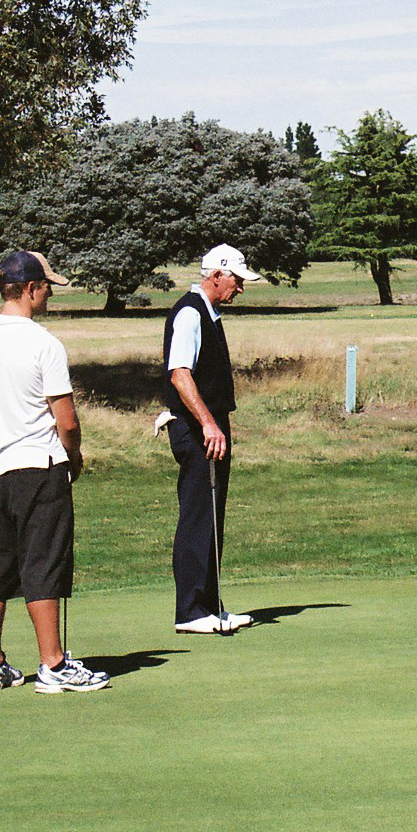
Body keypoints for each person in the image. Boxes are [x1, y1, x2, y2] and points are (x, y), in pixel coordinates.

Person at [0, 250, 109, 693]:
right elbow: (65, 420)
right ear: (29, 289)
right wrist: (74, 456)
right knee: (42, 562)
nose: (49, 295)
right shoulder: (43, 343)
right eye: (46, 287)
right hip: (39, 466)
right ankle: (53, 664)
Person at [164, 244, 267, 633]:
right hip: (196, 429)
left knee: (211, 513)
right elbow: (180, 374)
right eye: (237, 280)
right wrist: (208, 423)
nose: (240, 288)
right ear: (217, 274)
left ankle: (209, 604)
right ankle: (190, 611)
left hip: (210, 426)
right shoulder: (190, 314)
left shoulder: (209, 313)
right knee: (197, 514)